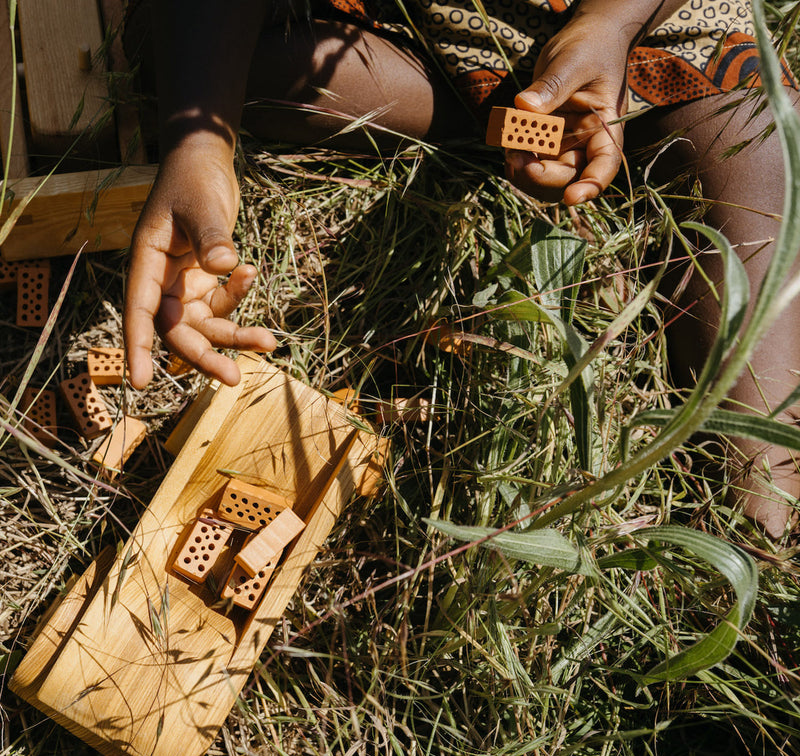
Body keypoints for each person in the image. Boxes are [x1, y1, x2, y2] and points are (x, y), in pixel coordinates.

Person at [122, 0, 800, 537]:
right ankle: (497, 104)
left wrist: (611, 23)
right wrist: (200, 143)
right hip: (399, 19)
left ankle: (762, 533)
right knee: (179, 49)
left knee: (759, 134)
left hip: (636, 19)